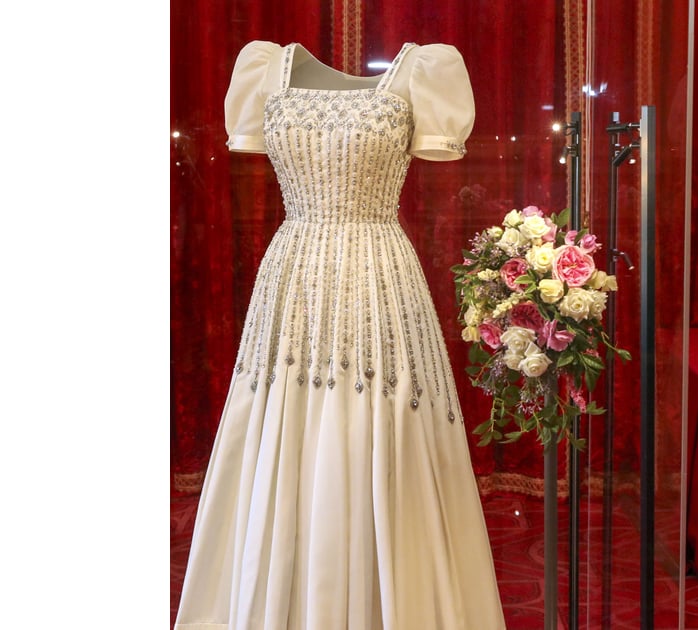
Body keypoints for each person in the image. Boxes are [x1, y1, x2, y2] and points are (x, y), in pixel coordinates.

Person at [174, 40, 506, 629]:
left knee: (381, 416)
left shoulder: (425, 72)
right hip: (295, 274)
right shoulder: (262, 68)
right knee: (284, 415)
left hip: (379, 275)